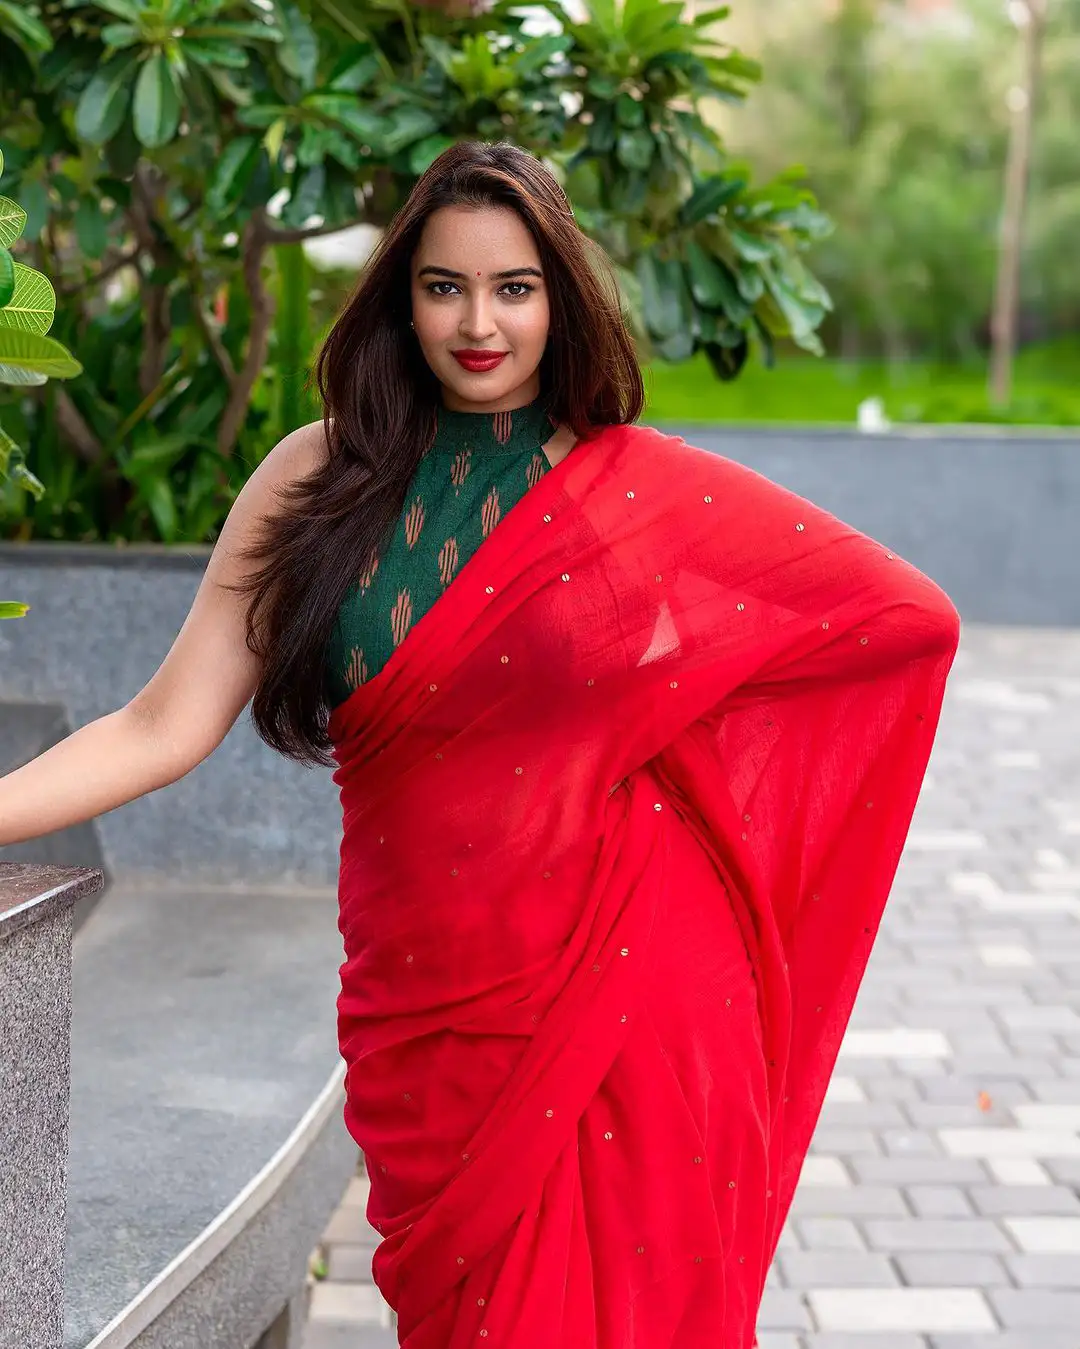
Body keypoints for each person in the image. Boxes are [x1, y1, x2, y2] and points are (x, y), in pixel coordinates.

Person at [0, 141, 961, 1347]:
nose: (480, 322)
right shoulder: (315, 477)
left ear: (561, 297)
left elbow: (899, 616)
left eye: (515, 286)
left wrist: (680, 798)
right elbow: (159, 724)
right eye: (444, 284)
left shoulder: (630, 494)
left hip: (618, 1002)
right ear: (401, 297)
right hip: (425, 1012)